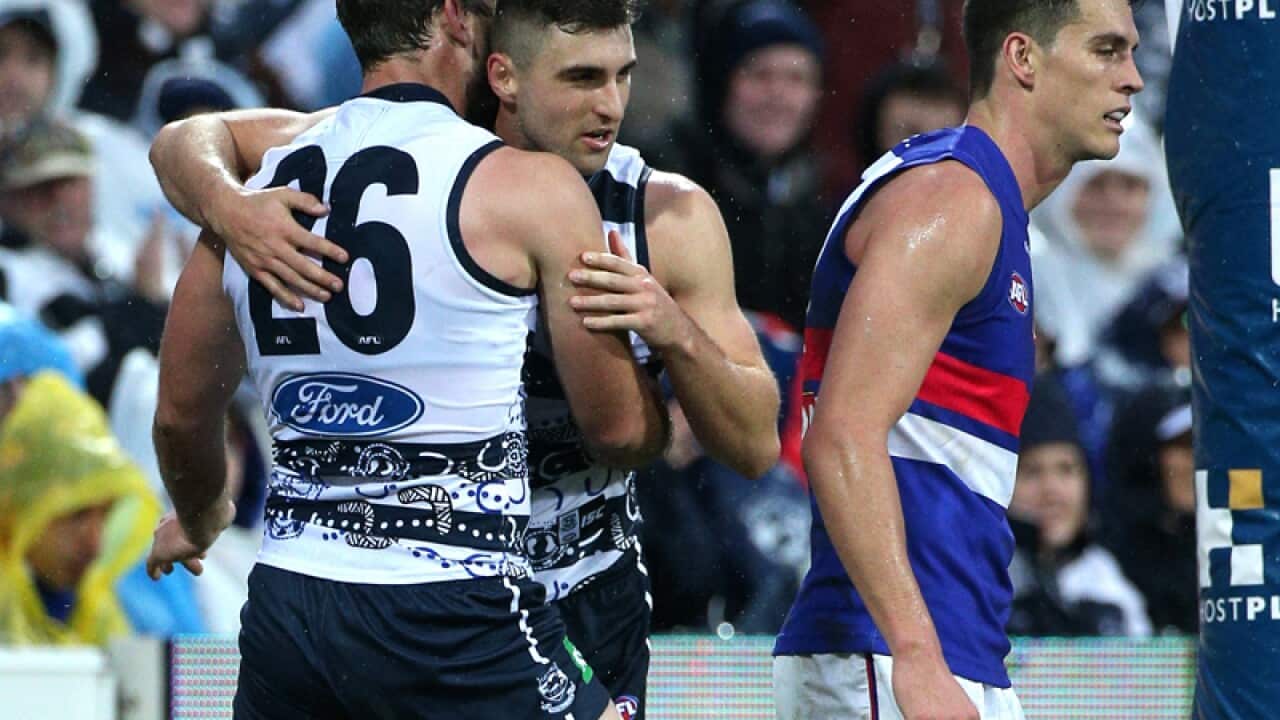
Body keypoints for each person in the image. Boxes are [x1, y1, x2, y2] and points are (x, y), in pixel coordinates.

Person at [147, 1, 781, 715]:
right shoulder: (427, 155)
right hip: (461, 587)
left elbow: (755, 445)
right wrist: (227, 204)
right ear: (502, 73)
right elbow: (187, 140)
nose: (610, 106)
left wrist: (676, 334)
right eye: (579, 78)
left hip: (571, 583)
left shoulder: (665, 214)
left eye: (622, 76)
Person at [772, 1, 1144, 718]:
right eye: (1105, 50)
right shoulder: (953, 202)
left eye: (1130, 52)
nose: (1132, 78)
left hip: (938, 648)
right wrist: (917, 655)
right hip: (890, 656)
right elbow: (842, 436)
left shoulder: (977, 202)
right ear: (1023, 58)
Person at [0, 371, 161, 646]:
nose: (95, 544)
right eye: (77, 514)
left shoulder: (95, 612)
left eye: (107, 514)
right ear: (23, 501)